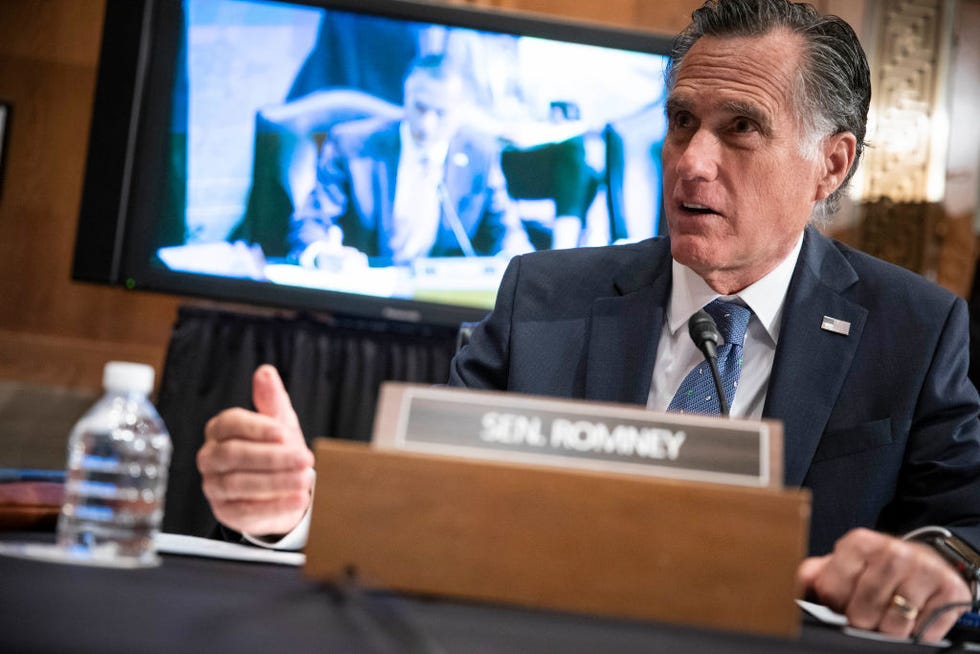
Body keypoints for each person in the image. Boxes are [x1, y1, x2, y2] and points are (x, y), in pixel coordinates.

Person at [197, 0, 980, 643]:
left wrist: (933, 565)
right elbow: (436, 501)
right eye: (681, 121)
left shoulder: (914, 327)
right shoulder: (543, 298)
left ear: (832, 164)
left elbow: (962, 522)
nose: (691, 161)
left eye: (740, 128)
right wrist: (297, 511)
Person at [288, 54, 530, 268]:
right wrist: (321, 254)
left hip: (439, 301)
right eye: (420, 108)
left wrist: (514, 261)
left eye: (441, 113)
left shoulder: (480, 154)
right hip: (365, 294)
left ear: (461, 111)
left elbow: (507, 231)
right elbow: (312, 219)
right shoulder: (352, 144)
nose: (427, 125)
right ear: (406, 96)